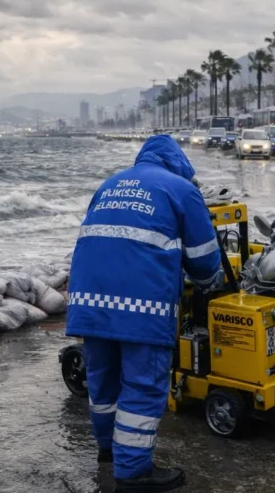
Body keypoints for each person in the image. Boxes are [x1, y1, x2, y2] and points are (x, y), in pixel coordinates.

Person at [66, 134, 224, 493]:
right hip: (142, 307)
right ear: (179, 163)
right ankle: (133, 472)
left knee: (102, 378)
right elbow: (204, 260)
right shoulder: (182, 190)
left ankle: (108, 451)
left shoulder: (110, 183)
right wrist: (208, 281)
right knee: (143, 383)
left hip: (88, 301)